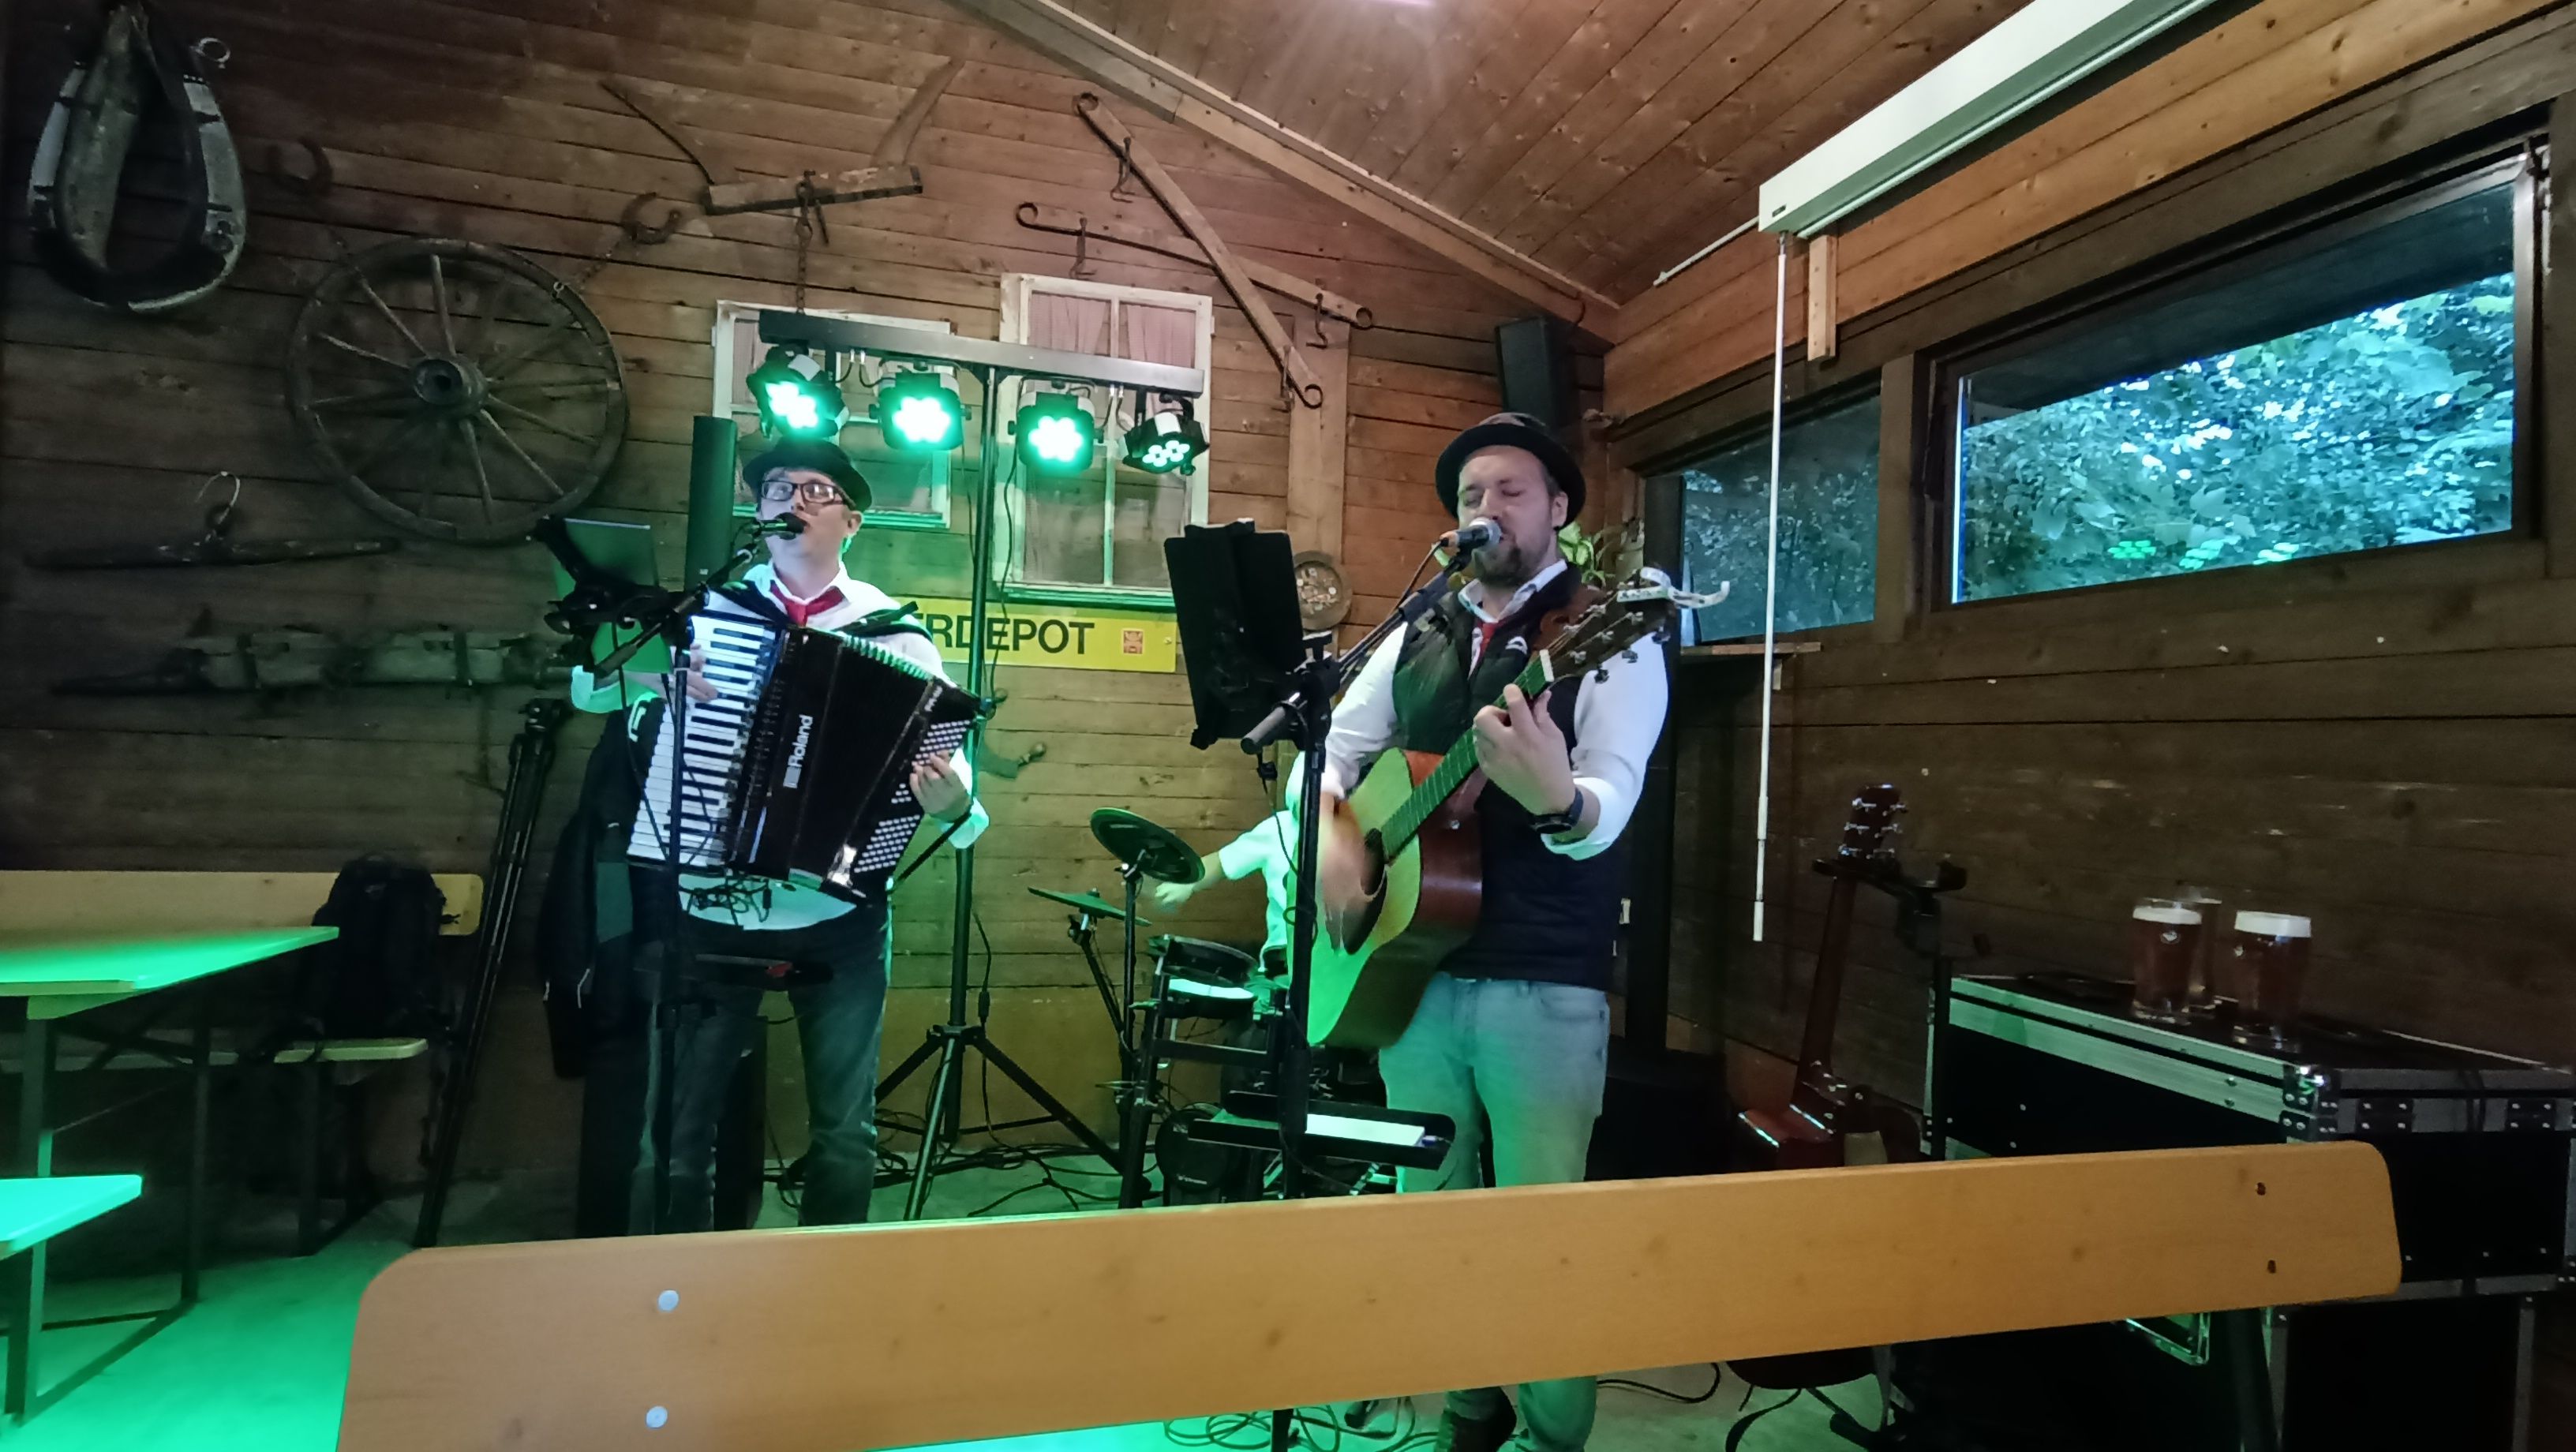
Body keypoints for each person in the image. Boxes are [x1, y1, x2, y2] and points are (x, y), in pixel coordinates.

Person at [1318, 412, 1669, 1452]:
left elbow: (1612, 793)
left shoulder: (1607, 629)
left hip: (1542, 978)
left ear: (1558, 507)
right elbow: (1333, 752)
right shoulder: (1418, 631)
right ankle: (1468, 1410)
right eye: (1472, 495)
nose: (1487, 509)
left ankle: (1551, 1436)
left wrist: (1558, 800)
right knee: (1430, 1207)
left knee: (1541, 1228)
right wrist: (1336, 843)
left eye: (1511, 490)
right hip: (1411, 971)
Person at [577, 435, 986, 1231]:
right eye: (776, 488)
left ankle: (828, 1284)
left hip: (836, 915)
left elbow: (953, 772)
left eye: (816, 489)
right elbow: (589, 688)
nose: (793, 500)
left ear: (851, 522)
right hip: (708, 903)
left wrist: (953, 804)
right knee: (676, 1133)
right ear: (757, 511)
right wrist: (654, 680)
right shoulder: (705, 613)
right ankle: (670, 1281)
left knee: (845, 1131)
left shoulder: (898, 635)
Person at [1151, 754, 1302, 976]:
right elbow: (1222, 861)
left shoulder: (1350, 834)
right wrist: (1187, 883)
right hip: (1283, 962)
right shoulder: (1278, 828)